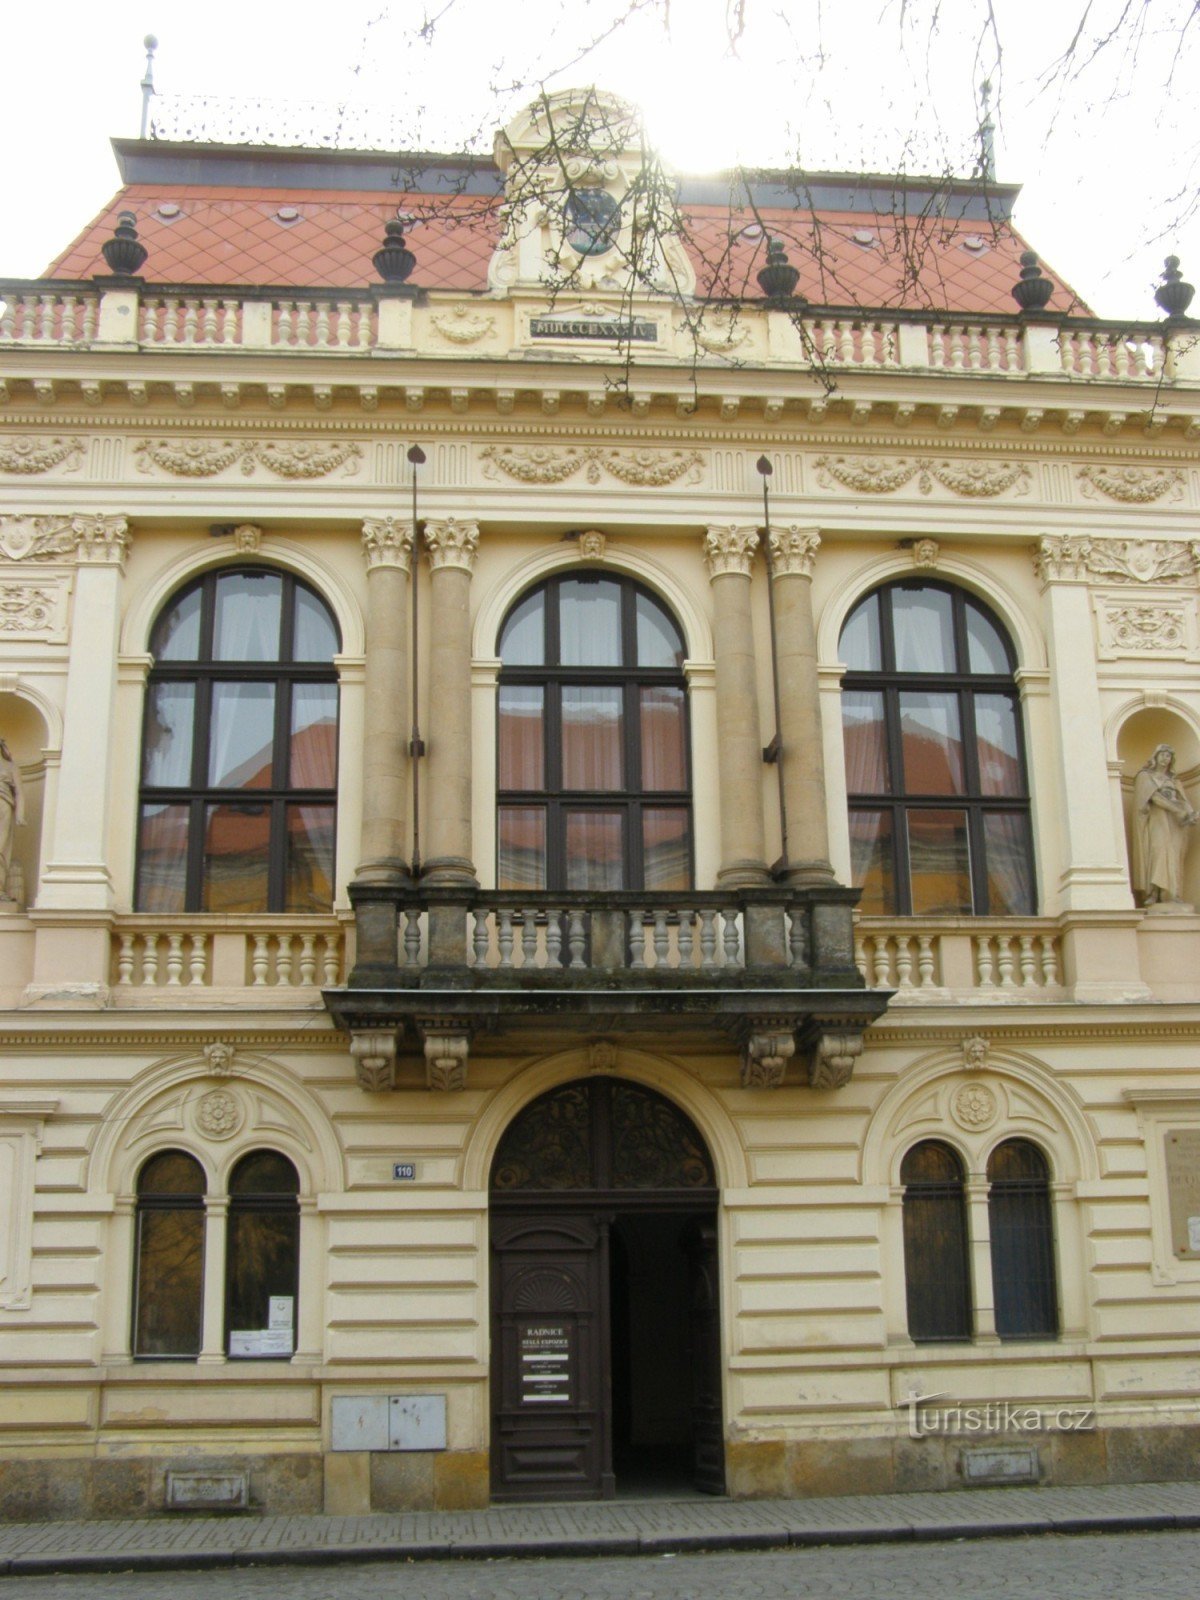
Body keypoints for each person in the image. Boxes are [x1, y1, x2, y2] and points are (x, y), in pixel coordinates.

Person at [1132, 744, 1198, 906]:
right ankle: (1153, 892)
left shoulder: (1174, 781)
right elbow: (1154, 798)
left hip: (1175, 825)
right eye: (1161, 754)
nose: (1164, 758)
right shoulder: (1145, 776)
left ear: (1171, 760)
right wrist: (1177, 810)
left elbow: (1184, 801)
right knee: (1158, 852)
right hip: (1156, 820)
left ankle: (1172, 894)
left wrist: (1190, 814)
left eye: (1168, 756)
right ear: (1155, 757)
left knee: (1174, 855)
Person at [0, 737, 25, 900]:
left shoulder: (11, 767)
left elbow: (19, 792)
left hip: (3, 805)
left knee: (0, 847)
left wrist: (20, 814)